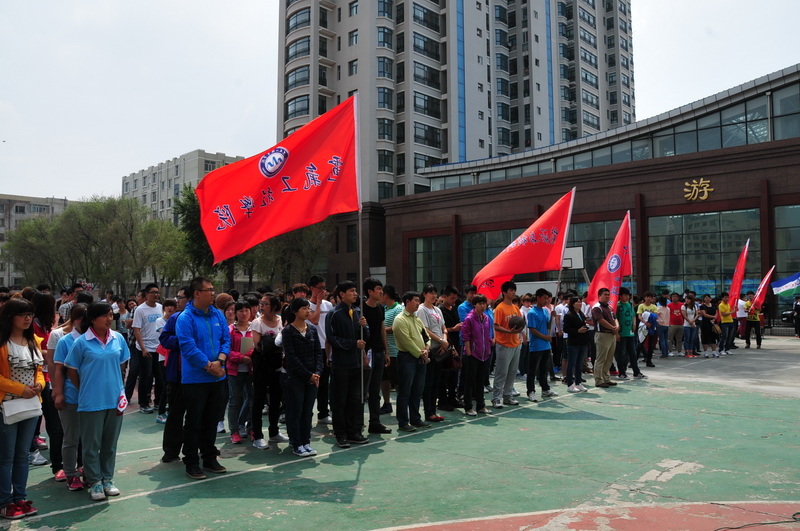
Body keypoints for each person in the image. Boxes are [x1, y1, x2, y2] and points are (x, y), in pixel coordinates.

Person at [64, 302, 130, 502]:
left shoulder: (118, 338)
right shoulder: (81, 343)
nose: (110, 319)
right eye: (105, 315)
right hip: (91, 401)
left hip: (115, 400)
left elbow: (122, 364)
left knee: (110, 443)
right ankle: (95, 482)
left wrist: (117, 387)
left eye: (111, 315)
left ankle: (107, 479)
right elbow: (71, 370)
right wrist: (85, 388)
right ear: (92, 319)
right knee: (91, 445)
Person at [176, 277, 229, 480]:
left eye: (213, 289)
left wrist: (220, 361)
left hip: (217, 378)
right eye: (209, 290)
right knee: (194, 422)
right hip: (195, 380)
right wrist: (210, 366)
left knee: (212, 420)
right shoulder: (185, 318)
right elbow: (188, 348)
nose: (213, 293)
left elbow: (225, 340)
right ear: (197, 293)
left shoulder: (217, 314)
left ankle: (209, 457)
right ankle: (191, 461)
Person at [0, 298, 45, 519]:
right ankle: (5, 502)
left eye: (30, 314)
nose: (28, 318)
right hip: (6, 406)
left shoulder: (33, 341)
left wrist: (40, 386)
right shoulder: (2, 343)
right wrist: (19, 389)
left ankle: (20, 498)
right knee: (6, 457)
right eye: (22, 314)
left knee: (22, 455)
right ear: (10, 317)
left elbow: (39, 371)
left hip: (30, 405)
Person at [326, 281, 370, 448]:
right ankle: (341, 433)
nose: (355, 294)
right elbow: (332, 338)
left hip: (356, 364)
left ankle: (354, 431)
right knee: (340, 400)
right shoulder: (334, 314)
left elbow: (365, 337)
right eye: (351, 291)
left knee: (355, 399)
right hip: (341, 364)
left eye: (355, 291)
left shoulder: (357, 312)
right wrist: (353, 344)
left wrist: (364, 327)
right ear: (342, 294)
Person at [51, 303, 88, 492]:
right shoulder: (65, 341)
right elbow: (59, 370)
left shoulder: (94, 339)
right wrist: (59, 393)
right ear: (73, 319)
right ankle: (71, 475)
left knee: (89, 438)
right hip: (71, 396)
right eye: (79, 318)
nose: (82, 322)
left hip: (91, 398)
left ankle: (88, 471)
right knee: (71, 438)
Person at [280, 298, 324, 457]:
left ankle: (306, 441)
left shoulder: (312, 329)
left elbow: (318, 353)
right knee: (295, 410)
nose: (308, 311)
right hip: (295, 378)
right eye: (304, 308)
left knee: (307, 411)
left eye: (308, 308)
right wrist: (308, 375)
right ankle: (297, 443)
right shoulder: (288, 331)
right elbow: (291, 358)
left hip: (312, 377)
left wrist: (317, 372)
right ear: (295, 311)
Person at [249, 293, 287, 450]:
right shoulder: (257, 322)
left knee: (276, 399)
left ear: (274, 306)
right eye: (261, 303)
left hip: (277, 364)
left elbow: (282, 343)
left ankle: (274, 432)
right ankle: (257, 436)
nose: (261, 306)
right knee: (258, 399)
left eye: (265, 304)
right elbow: (259, 346)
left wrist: (270, 344)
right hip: (262, 365)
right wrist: (274, 345)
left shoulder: (281, 321)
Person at [157, 286, 190, 464]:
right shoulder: (175, 318)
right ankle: (171, 450)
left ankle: (194, 448)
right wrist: (183, 340)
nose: (177, 301)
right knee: (175, 413)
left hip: (200, 374)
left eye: (180, 297)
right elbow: (164, 339)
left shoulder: (210, 317)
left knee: (198, 415)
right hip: (177, 373)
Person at [392, 291, 430, 432]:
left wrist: (426, 349)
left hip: (420, 358)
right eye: (415, 300)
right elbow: (406, 342)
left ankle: (415, 418)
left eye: (418, 301)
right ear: (407, 301)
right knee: (405, 391)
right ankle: (403, 422)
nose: (418, 303)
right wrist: (421, 354)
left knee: (417, 391)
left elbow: (426, 336)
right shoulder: (400, 320)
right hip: (407, 358)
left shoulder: (417, 319)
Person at [126, 283, 163, 414]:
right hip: (145, 348)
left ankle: (158, 402)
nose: (156, 295)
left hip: (159, 348)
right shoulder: (140, 309)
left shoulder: (160, 307)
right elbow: (136, 329)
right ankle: (144, 403)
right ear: (146, 294)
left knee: (160, 376)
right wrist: (143, 348)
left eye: (157, 292)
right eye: (153, 292)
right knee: (146, 376)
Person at [362, 278, 391, 434]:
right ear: (370, 292)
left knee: (375, 390)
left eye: (381, 289)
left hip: (379, 353)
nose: (381, 292)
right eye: (378, 289)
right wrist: (363, 355)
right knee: (362, 390)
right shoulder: (361, 310)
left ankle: (375, 422)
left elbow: (382, 330)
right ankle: (358, 423)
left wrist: (387, 351)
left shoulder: (380, 308)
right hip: (367, 353)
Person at [417, 284, 448, 421]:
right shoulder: (421, 310)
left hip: (440, 349)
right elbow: (425, 330)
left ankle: (433, 411)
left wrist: (444, 340)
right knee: (429, 382)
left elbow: (443, 327)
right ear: (424, 294)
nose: (434, 296)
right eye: (431, 293)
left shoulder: (437, 309)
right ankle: (428, 411)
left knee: (436, 382)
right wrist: (441, 340)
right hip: (430, 349)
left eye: (435, 293)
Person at [307, 276, 334, 426]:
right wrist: (317, 303)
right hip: (312, 348)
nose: (323, 291)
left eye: (324, 287)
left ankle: (323, 413)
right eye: (320, 288)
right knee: (312, 383)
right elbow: (315, 320)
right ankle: (307, 414)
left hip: (326, 347)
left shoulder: (328, 305)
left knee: (324, 383)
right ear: (312, 288)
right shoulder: (306, 305)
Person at [460, 294, 492, 416]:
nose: (482, 306)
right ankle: (468, 407)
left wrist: (489, 346)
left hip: (484, 355)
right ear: (474, 305)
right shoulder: (469, 319)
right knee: (469, 382)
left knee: (480, 381)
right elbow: (466, 337)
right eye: (480, 304)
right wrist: (469, 354)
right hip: (472, 355)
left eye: (484, 303)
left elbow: (487, 335)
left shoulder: (486, 318)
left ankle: (481, 406)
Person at [226, 301, 253, 443]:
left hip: (251, 370)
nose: (244, 314)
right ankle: (234, 431)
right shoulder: (230, 330)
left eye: (247, 310)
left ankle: (251, 428)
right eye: (241, 311)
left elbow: (257, 345)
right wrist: (241, 358)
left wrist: (250, 356)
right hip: (234, 370)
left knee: (252, 399)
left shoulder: (254, 328)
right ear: (235, 313)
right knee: (235, 401)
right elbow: (226, 349)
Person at [526, 289, 559, 401]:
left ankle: (545, 389)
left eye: (547, 298)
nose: (546, 300)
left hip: (546, 346)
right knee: (532, 370)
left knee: (544, 369)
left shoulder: (545, 311)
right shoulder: (532, 313)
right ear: (538, 298)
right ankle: (531, 391)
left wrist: (552, 317)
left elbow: (548, 325)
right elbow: (533, 330)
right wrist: (545, 337)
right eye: (544, 298)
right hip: (536, 346)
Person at [380, 285, 403, 415]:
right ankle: (387, 403)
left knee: (397, 380)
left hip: (395, 351)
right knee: (384, 379)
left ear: (386, 295)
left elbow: (397, 327)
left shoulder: (398, 309)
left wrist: (381, 330)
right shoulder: (383, 309)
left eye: (381, 294)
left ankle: (402, 406)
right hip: (384, 351)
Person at [591, 288, 619, 389]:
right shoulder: (596, 308)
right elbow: (601, 320)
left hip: (611, 335)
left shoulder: (610, 307)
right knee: (601, 359)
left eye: (608, 294)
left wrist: (617, 326)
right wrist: (612, 327)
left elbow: (615, 318)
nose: (607, 296)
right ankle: (599, 380)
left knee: (609, 358)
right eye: (605, 294)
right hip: (602, 335)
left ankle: (606, 378)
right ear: (599, 296)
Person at [614, 288, 645, 379]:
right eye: (625, 295)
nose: (627, 297)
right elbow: (615, 319)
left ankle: (636, 372)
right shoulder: (617, 306)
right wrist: (616, 333)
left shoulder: (629, 305)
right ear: (620, 296)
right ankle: (621, 372)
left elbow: (633, 316)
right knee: (621, 354)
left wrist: (634, 324)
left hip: (630, 333)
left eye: (628, 295)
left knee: (633, 353)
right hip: (622, 333)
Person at [563, 296, 589, 393]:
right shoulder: (569, 315)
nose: (580, 303)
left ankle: (578, 382)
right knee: (572, 363)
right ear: (573, 304)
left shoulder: (581, 314)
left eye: (580, 302)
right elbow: (566, 329)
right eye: (577, 302)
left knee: (579, 363)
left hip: (583, 341)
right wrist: (577, 330)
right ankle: (570, 384)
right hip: (573, 342)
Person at [637, 291, 658, 367]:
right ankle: (634, 361)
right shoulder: (641, 306)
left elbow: (655, 316)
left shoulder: (654, 307)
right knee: (640, 344)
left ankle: (649, 360)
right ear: (644, 298)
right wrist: (645, 322)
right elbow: (639, 316)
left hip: (651, 327)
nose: (648, 299)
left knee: (651, 345)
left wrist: (651, 323)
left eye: (650, 297)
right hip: (643, 326)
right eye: (647, 297)